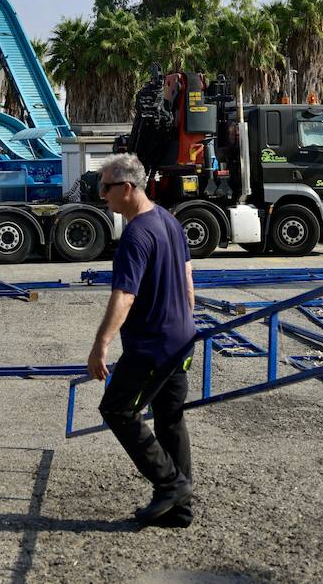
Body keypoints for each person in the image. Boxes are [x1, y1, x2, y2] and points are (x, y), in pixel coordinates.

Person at [87, 152, 197, 528]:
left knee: (117, 410)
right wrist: (186, 322)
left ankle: (170, 484)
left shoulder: (136, 233)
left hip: (153, 346)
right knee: (170, 418)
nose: (102, 195)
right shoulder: (168, 219)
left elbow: (124, 296)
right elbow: (187, 279)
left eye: (105, 187)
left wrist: (101, 344)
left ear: (127, 188)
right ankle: (180, 509)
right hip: (181, 339)